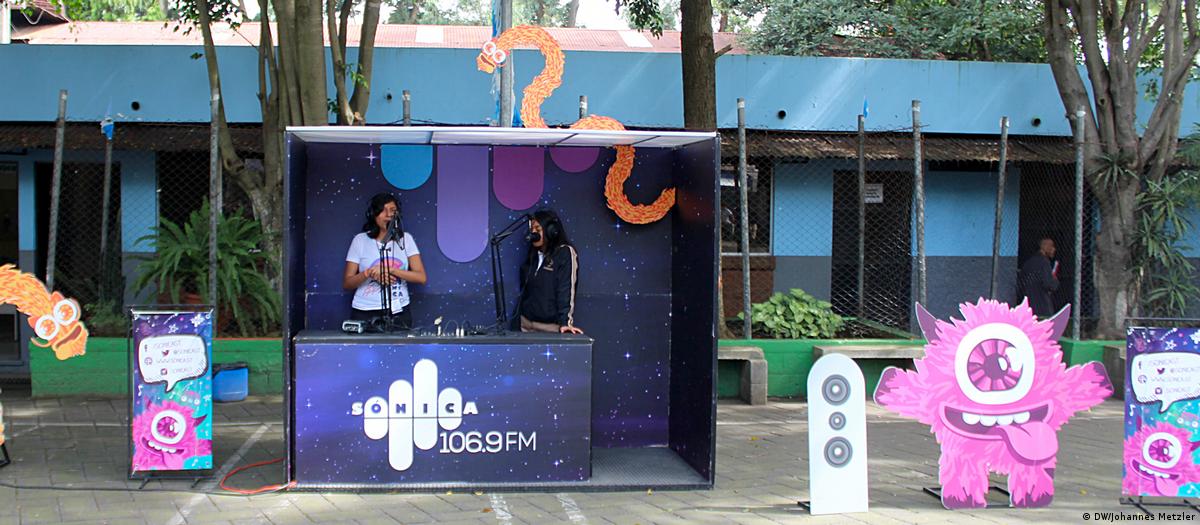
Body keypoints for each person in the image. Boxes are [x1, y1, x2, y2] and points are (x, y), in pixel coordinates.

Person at [343, 193, 426, 329]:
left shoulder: (406, 239)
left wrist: (390, 270)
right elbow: (347, 283)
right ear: (373, 215)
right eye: (383, 210)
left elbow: (421, 277)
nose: (388, 215)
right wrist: (369, 273)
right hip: (365, 312)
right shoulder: (360, 240)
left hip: (399, 311)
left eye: (392, 210)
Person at [517, 209, 583, 334]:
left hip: (550, 328)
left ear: (551, 231)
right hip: (525, 326)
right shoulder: (533, 256)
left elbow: (566, 289)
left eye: (538, 229)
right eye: (532, 229)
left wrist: (565, 322)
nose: (533, 233)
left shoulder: (564, 253)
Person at [1019, 237, 1059, 318]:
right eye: (1051, 246)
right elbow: (1048, 283)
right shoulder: (1044, 262)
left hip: (1028, 300)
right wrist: (1055, 281)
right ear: (1044, 246)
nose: (1054, 249)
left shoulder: (1029, 262)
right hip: (1042, 303)